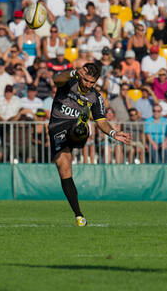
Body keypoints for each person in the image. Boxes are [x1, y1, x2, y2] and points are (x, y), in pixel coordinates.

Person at [49, 63, 131, 226]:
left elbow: (101, 121)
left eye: (92, 82)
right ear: (81, 76)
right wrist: (73, 72)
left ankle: (81, 126)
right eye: (86, 80)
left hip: (75, 131)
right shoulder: (69, 82)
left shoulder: (96, 97)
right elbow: (56, 79)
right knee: (63, 166)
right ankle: (79, 215)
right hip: (57, 126)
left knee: (79, 129)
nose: (88, 85)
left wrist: (113, 133)